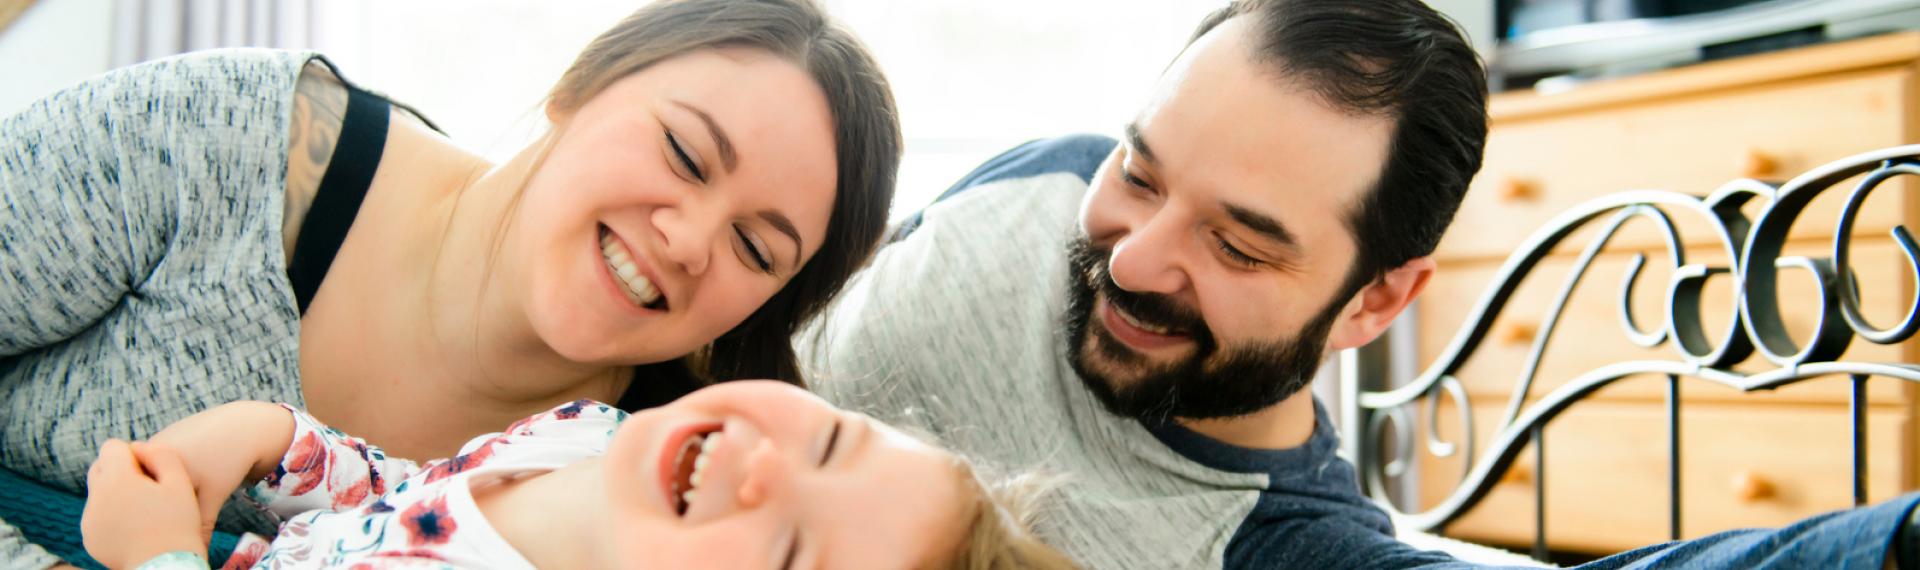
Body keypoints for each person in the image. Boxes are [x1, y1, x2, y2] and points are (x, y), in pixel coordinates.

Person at [796, 0, 1920, 568]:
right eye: (1140, 172)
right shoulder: (1043, 176)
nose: (1135, 259)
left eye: (1240, 247)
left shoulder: (1279, 547)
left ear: (1379, 302)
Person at [0, 0, 899, 567]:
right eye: (683, 151)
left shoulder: (627, 494)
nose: (691, 240)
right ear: (578, 87)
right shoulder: (235, 144)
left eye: (755, 247)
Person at [78, 380, 1076, 569]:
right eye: (830, 443)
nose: (767, 465)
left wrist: (154, 556)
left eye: (785, 559)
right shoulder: (593, 436)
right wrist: (271, 439)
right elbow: (407, 503)